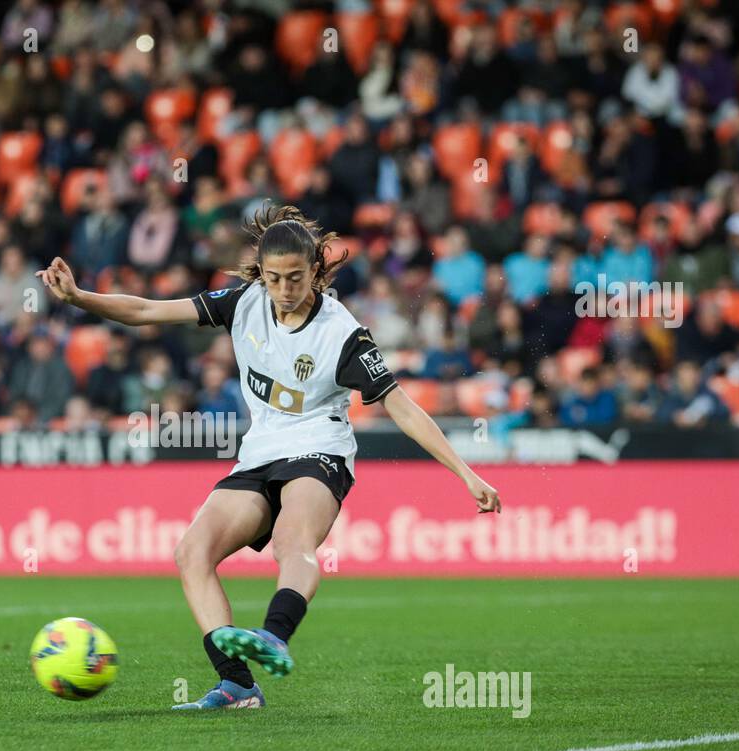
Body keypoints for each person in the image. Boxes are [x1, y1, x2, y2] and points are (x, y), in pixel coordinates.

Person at [38, 205, 501, 711]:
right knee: (192, 552)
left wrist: (465, 473)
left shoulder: (342, 334)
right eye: (275, 278)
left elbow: (402, 407)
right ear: (261, 272)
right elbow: (149, 311)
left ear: (316, 271)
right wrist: (79, 297)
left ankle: (275, 635)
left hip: (319, 450)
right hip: (260, 454)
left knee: (291, 540)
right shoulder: (244, 302)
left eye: (296, 278)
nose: (284, 289)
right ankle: (236, 685)